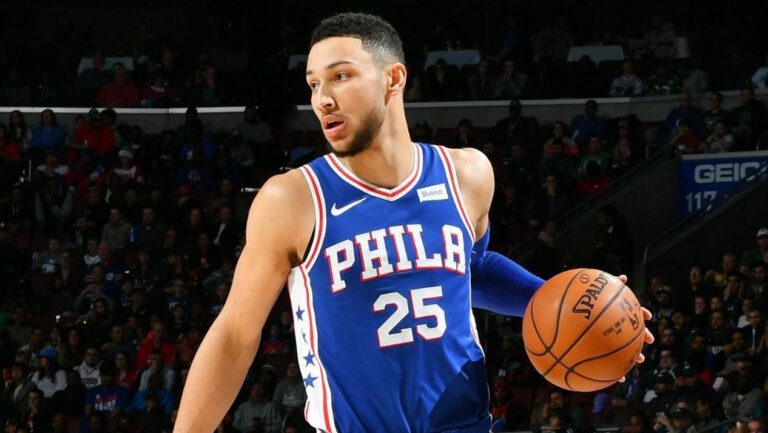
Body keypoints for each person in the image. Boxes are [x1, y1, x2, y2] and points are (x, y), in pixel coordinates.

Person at [174, 13, 652, 433]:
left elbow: (469, 269)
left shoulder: (467, 174)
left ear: (393, 78)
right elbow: (235, 335)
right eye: (314, 84)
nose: (322, 99)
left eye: (340, 76)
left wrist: (572, 308)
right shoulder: (294, 197)